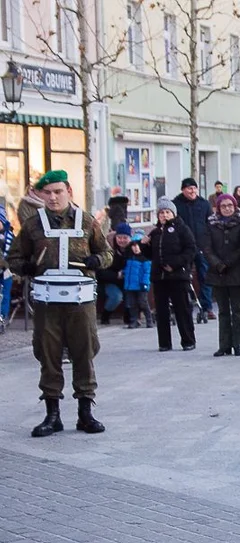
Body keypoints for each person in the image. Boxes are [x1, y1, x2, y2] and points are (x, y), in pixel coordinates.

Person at [7, 169, 112, 436]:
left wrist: (96, 261)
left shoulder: (87, 222)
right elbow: (13, 257)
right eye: (48, 193)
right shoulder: (33, 225)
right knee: (48, 353)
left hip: (81, 301)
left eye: (58, 191)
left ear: (69, 192)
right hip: (46, 303)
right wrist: (26, 267)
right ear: (41, 195)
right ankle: (52, 415)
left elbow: (107, 253)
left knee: (84, 352)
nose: (53, 198)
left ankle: (85, 412)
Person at [202, 193, 240, 356]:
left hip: (236, 270)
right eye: (223, 206)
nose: (227, 209)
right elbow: (207, 248)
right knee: (223, 311)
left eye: (230, 205)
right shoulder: (211, 224)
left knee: (237, 310)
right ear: (218, 208)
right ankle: (224, 345)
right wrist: (217, 264)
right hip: (218, 272)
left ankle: (238, 344)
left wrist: (228, 263)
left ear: (235, 206)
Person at [148, 198, 197, 351]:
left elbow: (190, 250)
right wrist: (142, 246)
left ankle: (188, 340)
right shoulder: (155, 232)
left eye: (167, 212)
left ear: (173, 213)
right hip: (159, 277)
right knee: (161, 311)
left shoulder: (182, 229)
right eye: (161, 213)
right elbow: (152, 254)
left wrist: (175, 264)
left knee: (182, 309)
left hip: (178, 276)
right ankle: (164, 343)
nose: (164, 215)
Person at [174, 178, 215, 321]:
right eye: (189, 188)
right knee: (182, 276)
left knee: (205, 275)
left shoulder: (204, 204)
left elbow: (210, 224)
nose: (192, 191)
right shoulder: (176, 204)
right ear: (183, 190)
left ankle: (207, 307)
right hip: (183, 247)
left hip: (201, 246)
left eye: (194, 188)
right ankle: (183, 305)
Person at [116, 224, 153, 329]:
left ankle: (149, 319)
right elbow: (128, 270)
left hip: (141, 286)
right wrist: (122, 273)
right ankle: (134, 320)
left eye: (138, 246)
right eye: (134, 245)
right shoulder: (129, 258)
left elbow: (147, 272)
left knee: (143, 303)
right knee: (131, 304)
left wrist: (145, 283)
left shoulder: (145, 259)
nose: (136, 248)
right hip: (130, 285)